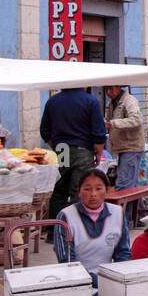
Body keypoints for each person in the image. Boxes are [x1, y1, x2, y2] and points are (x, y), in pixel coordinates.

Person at [39, 87, 106, 219]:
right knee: (80, 191)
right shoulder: (91, 101)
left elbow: (45, 131)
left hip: (62, 150)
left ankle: (54, 231)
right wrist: (98, 154)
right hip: (82, 151)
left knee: (59, 190)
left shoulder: (53, 101)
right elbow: (99, 133)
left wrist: (57, 147)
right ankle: (77, 229)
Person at [103, 84, 145, 226]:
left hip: (131, 146)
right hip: (122, 147)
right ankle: (139, 217)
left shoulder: (129, 101)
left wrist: (113, 124)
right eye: (106, 89)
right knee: (131, 184)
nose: (109, 92)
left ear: (119, 87)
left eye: (111, 89)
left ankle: (123, 221)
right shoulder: (111, 103)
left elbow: (136, 120)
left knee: (123, 185)